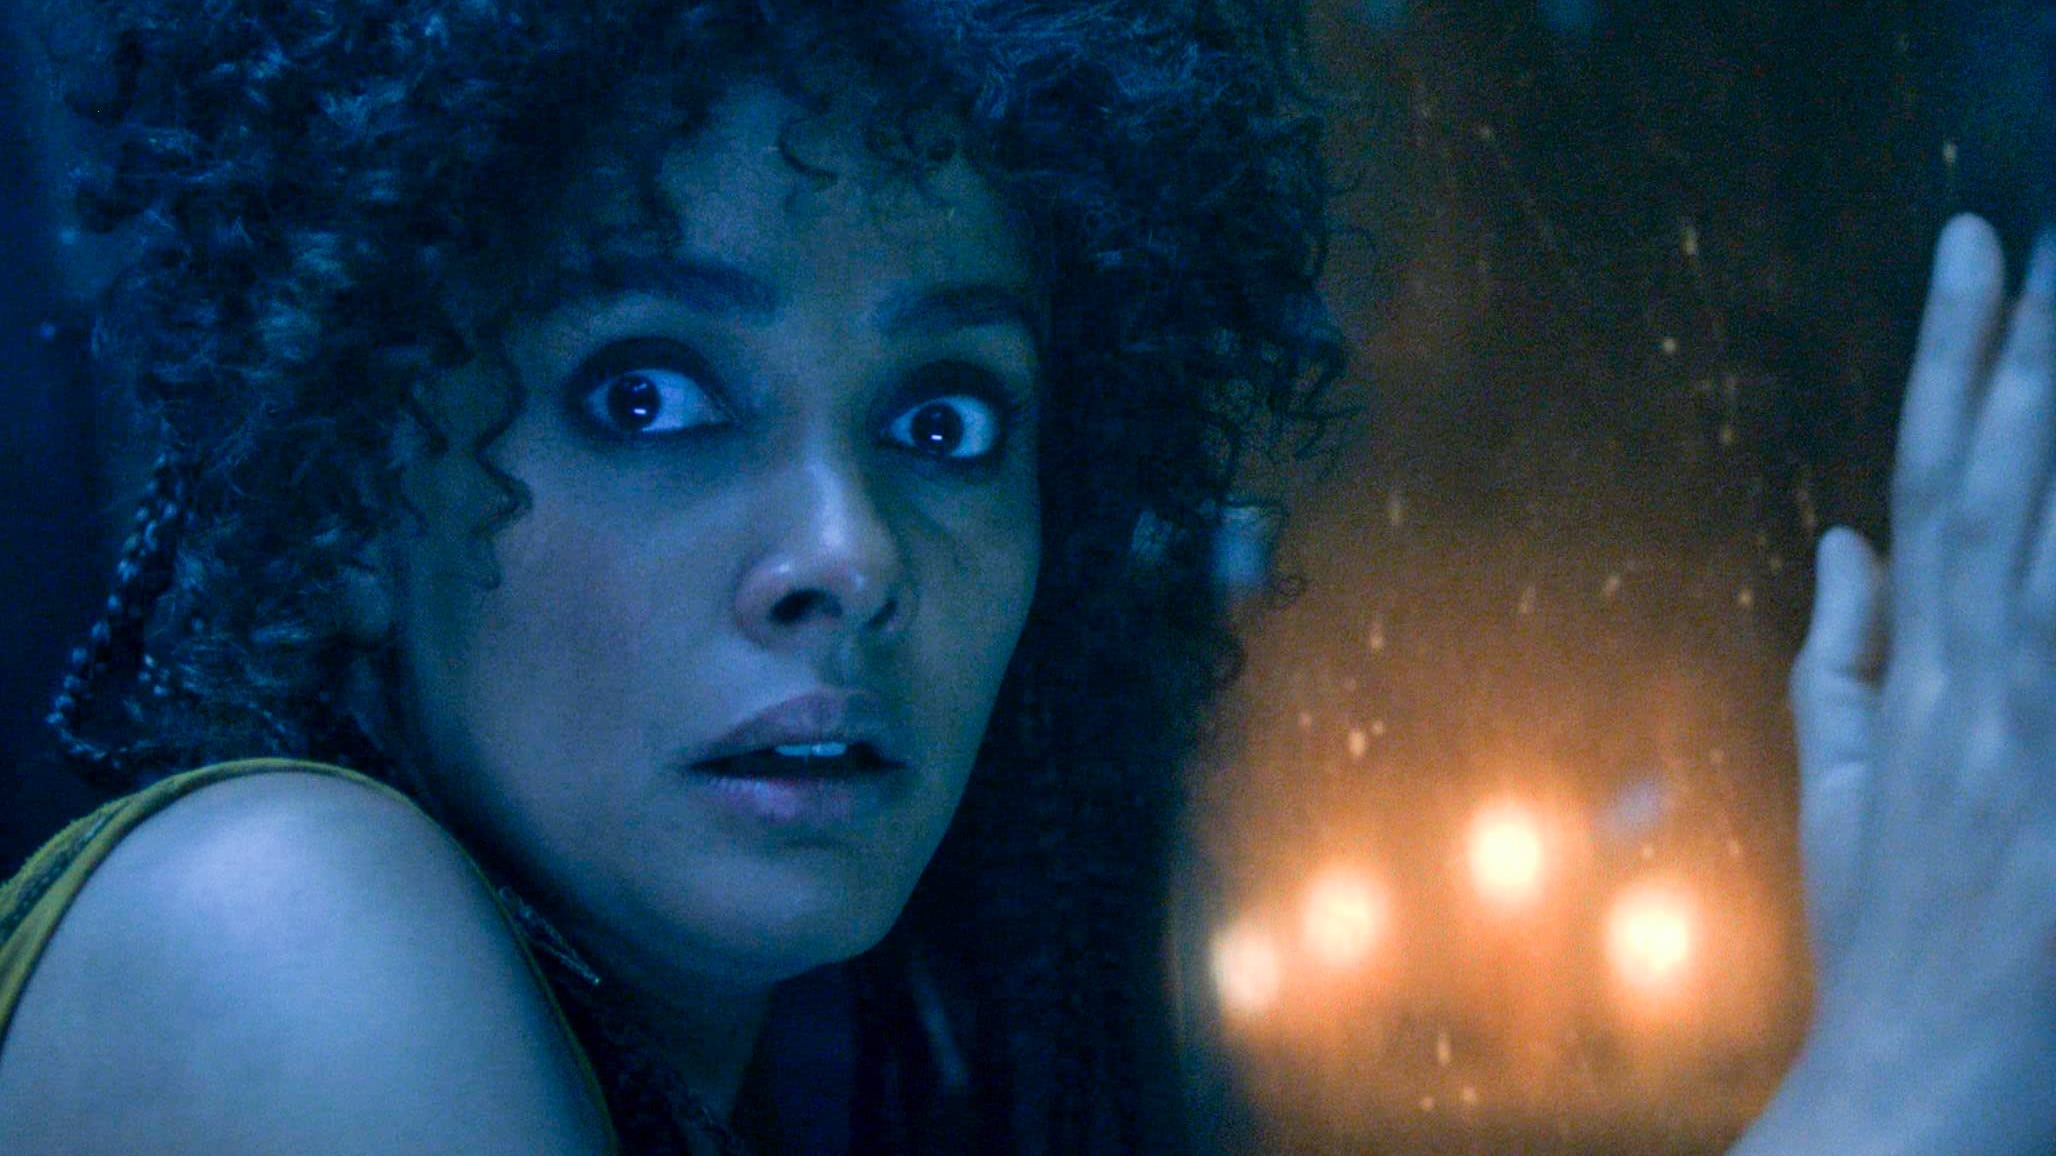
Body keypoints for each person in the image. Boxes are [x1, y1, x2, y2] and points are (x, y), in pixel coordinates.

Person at [0, 2, 2048, 1154]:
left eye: (946, 417)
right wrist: (1903, 1089)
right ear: (362, 493)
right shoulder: (273, 922)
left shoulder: (743, 1073)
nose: (847, 556)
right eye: (649, 393)